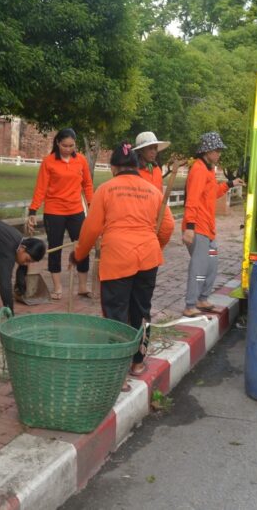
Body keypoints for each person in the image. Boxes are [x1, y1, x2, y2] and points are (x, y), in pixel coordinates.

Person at [72, 143, 174, 376]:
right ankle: (138, 363)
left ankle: (118, 370)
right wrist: (155, 246)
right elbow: (167, 226)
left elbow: (91, 229)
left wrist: (78, 255)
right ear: (136, 165)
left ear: (113, 168)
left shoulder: (106, 189)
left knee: (115, 314)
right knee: (142, 311)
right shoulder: (152, 191)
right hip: (148, 257)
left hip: (117, 259)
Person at [25, 129, 94, 300]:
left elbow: (87, 185)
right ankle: (57, 287)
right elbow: (41, 188)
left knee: (82, 246)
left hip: (76, 211)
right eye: (64, 146)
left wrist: (91, 205)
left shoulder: (81, 160)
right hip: (54, 211)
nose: (68, 149)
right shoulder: (48, 162)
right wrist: (33, 210)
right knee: (55, 248)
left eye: (71, 146)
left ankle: (83, 286)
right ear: (57, 143)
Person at [182, 131, 244, 317]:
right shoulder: (198, 170)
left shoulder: (208, 170)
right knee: (199, 266)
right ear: (207, 151)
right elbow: (192, 200)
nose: (219, 154)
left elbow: (213, 193)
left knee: (211, 264)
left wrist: (230, 184)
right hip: (198, 228)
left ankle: (202, 299)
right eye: (217, 150)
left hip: (208, 229)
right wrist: (190, 228)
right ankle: (190, 305)